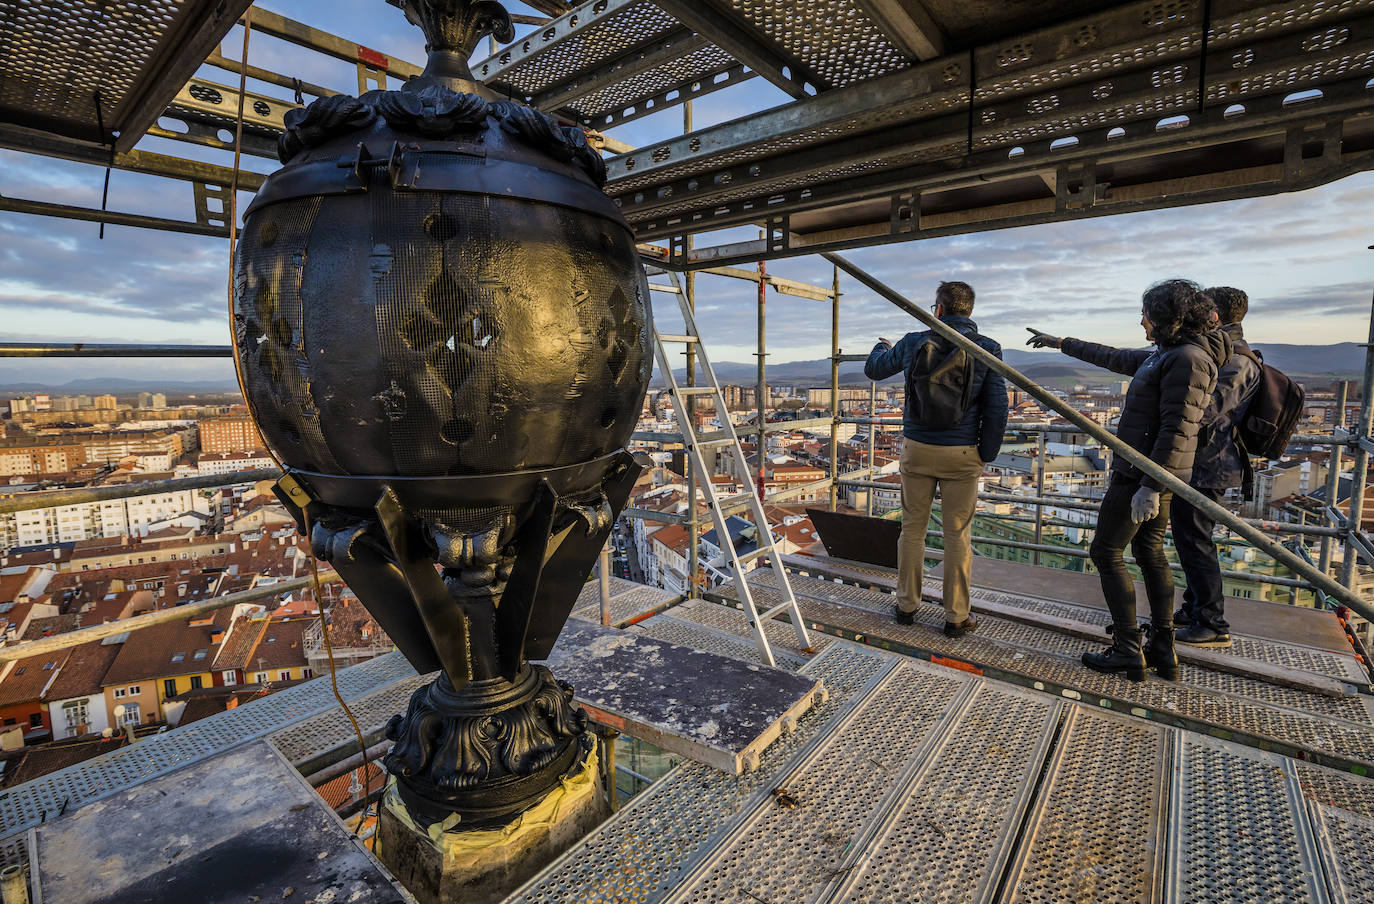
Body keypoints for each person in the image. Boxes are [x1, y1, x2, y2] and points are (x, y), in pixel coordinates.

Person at [1026, 279, 1228, 680]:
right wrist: (1061, 342)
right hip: (1150, 472)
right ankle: (1162, 647)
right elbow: (1114, 357)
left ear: (1169, 318)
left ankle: (1126, 647)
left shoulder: (1187, 359)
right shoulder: (1173, 354)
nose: (1142, 322)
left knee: (1105, 552)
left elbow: (1177, 429)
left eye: (1147, 314)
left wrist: (1151, 486)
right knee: (1150, 554)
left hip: (1142, 473)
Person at [865, 281, 1008, 638]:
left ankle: (906, 605)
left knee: (913, 528)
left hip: (918, 447)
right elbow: (997, 407)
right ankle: (956, 616)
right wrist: (985, 453)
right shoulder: (987, 348)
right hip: (962, 454)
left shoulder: (915, 341)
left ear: (938, 310)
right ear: (969, 311)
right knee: (957, 533)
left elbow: (875, 369)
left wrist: (879, 346)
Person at [1172, 287, 1261, 649]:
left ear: (1213, 317)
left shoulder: (1237, 363)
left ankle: (1212, 622)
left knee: (1196, 541)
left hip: (1211, 463)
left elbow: (1204, 412)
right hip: (1206, 461)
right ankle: (1194, 608)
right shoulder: (1227, 357)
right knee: (1189, 538)